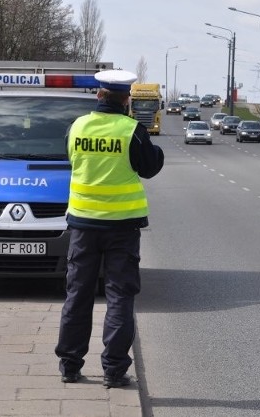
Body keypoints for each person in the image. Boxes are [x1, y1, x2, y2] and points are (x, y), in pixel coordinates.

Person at [55, 69, 164, 388]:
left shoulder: (77, 127)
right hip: (122, 228)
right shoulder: (132, 131)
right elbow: (150, 167)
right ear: (126, 99)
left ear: (99, 95)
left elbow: (72, 160)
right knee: (119, 295)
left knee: (78, 293)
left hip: (83, 226)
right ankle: (114, 371)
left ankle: (70, 366)